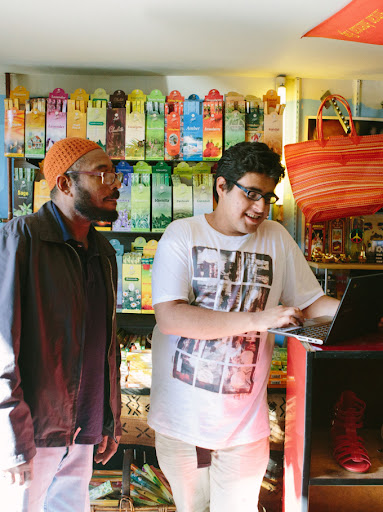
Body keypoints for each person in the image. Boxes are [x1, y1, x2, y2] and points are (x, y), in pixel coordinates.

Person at [147, 141, 339, 512]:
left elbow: (313, 302)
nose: (261, 208)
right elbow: (171, 317)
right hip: (182, 420)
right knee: (193, 508)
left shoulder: (277, 238)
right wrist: (261, 319)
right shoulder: (182, 235)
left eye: (268, 196)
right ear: (221, 186)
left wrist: (356, 311)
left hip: (244, 423)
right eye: (251, 193)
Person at [0, 137, 123, 512]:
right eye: (102, 174)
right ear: (65, 183)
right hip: (33, 431)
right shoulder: (21, 239)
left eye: (115, 174)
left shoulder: (103, 253)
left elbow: (105, 345)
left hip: (83, 429)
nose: (114, 184)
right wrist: (10, 439)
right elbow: (2, 347)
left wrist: (109, 418)